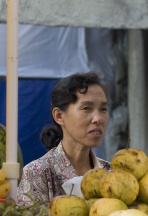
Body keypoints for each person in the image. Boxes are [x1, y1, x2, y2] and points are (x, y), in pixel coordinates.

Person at [17, 72, 111, 206]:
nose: (98, 119)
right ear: (59, 116)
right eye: (86, 108)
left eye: (103, 109)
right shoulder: (37, 174)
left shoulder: (111, 173)